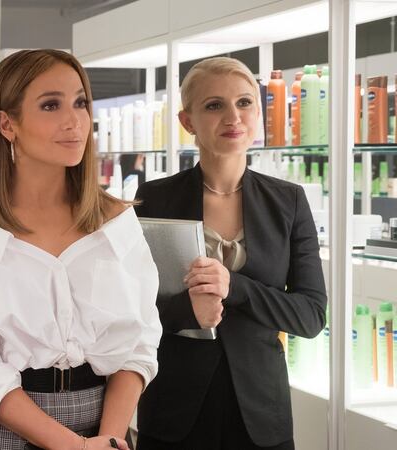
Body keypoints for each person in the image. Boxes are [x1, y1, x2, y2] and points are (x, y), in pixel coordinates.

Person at [0, 49, 162, 450]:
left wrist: (110, 439)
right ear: (7, 124)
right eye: (51, 105)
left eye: (80, 103)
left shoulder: (115, 221)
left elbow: (140, 339)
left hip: (103, 424)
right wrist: (74, 447)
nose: (73, 121)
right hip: (0, 432)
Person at [134, 57, 327, 450]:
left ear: (258, 112)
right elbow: (130, 312)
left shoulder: (288, 201)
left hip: (261, 414)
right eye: (214, 105)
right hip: (173, 411)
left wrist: (234, 287)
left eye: (244, 103)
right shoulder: (153, 199)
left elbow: (310, 316)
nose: (233, 117)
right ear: (187, 121)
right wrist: (188, 311)